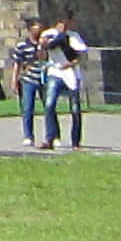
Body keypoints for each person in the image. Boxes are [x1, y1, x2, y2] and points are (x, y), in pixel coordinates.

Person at [39, 12, 88, 151]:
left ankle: (75, 142)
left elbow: (81, 56)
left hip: (71, 73)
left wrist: (71, 64)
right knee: (49, 105)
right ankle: (50, 138)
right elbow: (42, 55)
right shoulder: (48, 34)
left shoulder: (74, 36)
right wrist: (42, 45)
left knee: (75, 108)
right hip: (55, 72)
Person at [8, 18, 48, 147]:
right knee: (28, 108)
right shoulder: (22, 45)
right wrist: (14, 80)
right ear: (30, 29)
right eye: (37, 28)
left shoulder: (47, 43)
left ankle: (52, 136)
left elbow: (46, 58)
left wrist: (42, 46)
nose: (39, 31)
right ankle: (28, 136)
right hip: (28, 79)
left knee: (49, 107)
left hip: (44, 78)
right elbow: (17, 64)